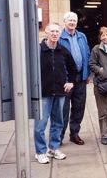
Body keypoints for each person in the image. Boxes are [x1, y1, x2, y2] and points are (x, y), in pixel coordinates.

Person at [34, 23, 77, 164]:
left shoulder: (63, 50)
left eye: (57, 31)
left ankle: (53, 148)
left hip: (60, 92)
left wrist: (70, 82)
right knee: (41, 124)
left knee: (58, 122)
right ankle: (40, 151)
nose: (54, 34)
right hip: (43, 93)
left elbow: (73, 68)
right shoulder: (38, 50)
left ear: (60, 34)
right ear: (46, 32)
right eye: (52, 31)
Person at [59, 12, 91, 145]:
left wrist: (87, 74)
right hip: (66, 80)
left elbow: (87, 54)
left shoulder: (82, 36)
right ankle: (59, 136)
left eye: (74, 20)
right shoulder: (60, 37)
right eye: (70, 20)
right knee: (63, 109)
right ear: (64, 21)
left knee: (79, 107)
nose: (72, 22)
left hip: (80, 78)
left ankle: (74, 133)